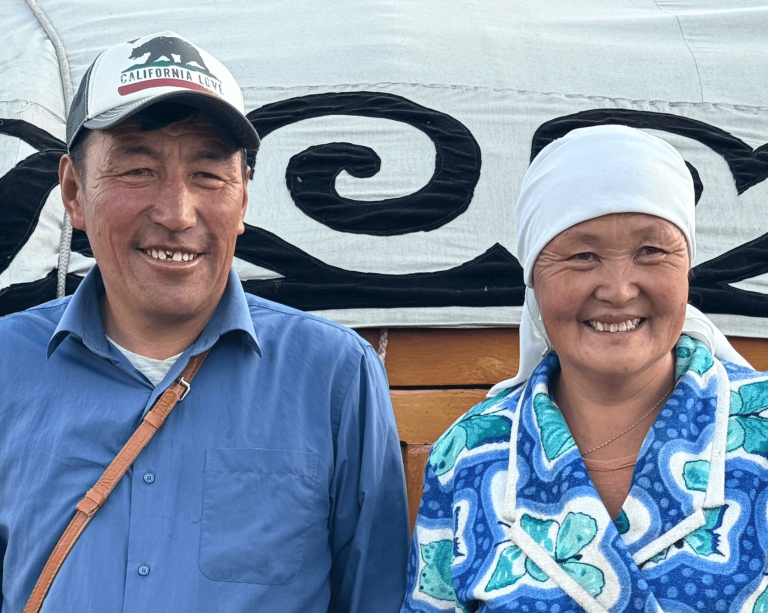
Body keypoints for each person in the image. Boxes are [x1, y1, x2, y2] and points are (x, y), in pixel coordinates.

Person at [0, 31, 409, 613]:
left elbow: (378, 597)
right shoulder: (6, 367)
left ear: (243, 197)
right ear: (73, 192)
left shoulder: (334, 376)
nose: (176, 213)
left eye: (209, 175)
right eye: (138, 169)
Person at [402, 125, 768, 612]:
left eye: (652, 251)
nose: (618, 290)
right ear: (534, 277)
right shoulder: (472, 452)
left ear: (688, 267)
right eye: (582, 255)